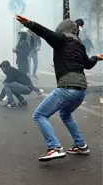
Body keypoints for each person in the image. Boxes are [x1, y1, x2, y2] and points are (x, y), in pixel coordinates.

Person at [16, 15, 103, 162]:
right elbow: (88, 64)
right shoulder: (79, 44)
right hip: (81, 90)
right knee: (65, 114)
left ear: (62, 28)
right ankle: (81, 145)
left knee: (39, 115)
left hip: (67, 87)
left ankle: (54, 147)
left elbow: (45, 32)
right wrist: (96, 57)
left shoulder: (61, 38)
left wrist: (29, 23)